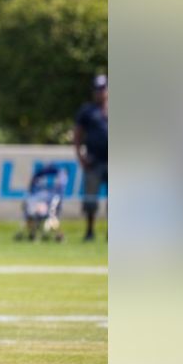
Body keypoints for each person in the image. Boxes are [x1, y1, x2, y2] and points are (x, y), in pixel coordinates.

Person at [73, 74, 108, 241]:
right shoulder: (87, 111)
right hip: (94, 161)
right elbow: (78, 135)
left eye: (102, 89)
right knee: (90, 199)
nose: (100, 93)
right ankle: (89, 231)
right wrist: (80, 156)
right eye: (97, 90)